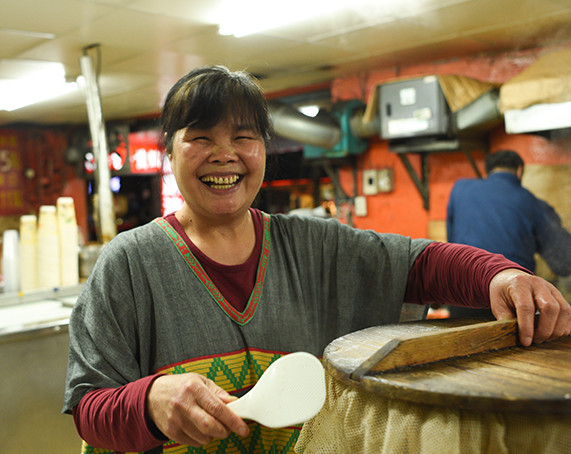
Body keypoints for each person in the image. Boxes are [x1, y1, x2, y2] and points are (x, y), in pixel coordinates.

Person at [63, 66, 571, 454]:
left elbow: (418, 264)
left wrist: (497, 274)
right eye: (201, 138)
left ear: (264, 149)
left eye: (243, 137)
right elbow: (88, 406)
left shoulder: (313, 246)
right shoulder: (128, 265)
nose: (225, 154)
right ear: (170, 154)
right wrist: (148, 403)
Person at [446, 150, 571, 318]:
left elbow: (452, 239)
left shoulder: (460, 189)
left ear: (487, 171)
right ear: (519, 171)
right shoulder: (531, 203)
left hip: (460, 294)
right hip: (510, 299)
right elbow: (564, 262)